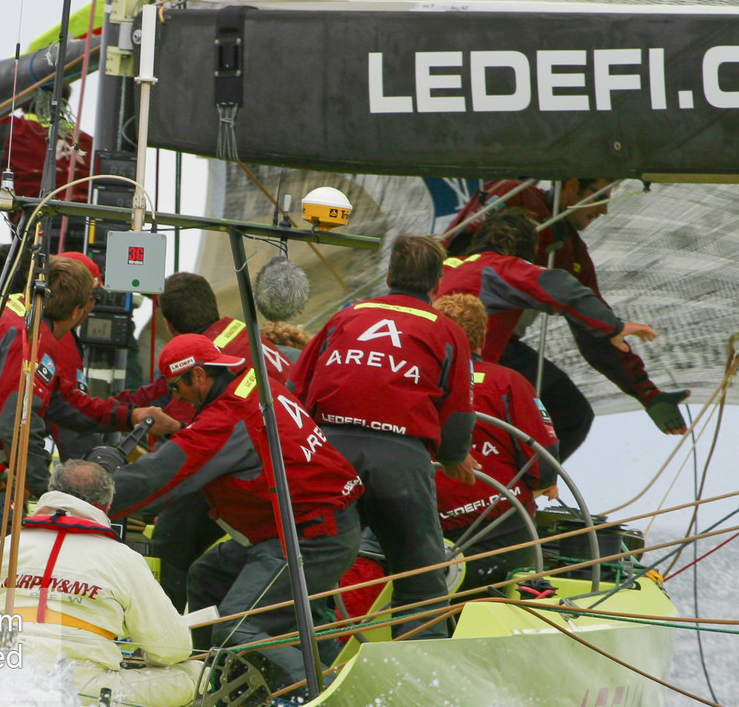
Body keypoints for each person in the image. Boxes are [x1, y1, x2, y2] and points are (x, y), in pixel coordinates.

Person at [110, 334, 362, 696]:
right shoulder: (255, 381)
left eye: (175, 387)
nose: (175, 397)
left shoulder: (230, 414)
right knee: (207, 576)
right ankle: (207, 679)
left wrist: (91, 497)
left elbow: (166, 472)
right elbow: (221, 445)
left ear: (198, 376)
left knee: (235, 626)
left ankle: (330, 697)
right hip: (307, 527)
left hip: (311, 537)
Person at [0, 256, 169, 565]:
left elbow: (62, 400)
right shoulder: (31, 337)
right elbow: (16, 424)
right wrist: (50, 492)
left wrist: (129, 416)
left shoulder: (11, 314)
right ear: (79, 310)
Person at [292, 233, 477, 640]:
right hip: (400, 464)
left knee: (314, 565)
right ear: (437, 284)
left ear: (390, 274)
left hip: (330, 456)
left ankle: (304, 660)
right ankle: (416, 681)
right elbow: (458, 420)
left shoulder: (345, 318)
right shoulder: (448, 333)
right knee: (421, 578)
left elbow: (297, 393)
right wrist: (452, 456)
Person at [447, 183, 689, 456]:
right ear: (573, 185)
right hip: (470, 362)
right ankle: (521, 483)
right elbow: (561, 289)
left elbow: (590, 323)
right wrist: (616, 326)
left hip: (428, 353)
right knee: (541, 414)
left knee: (568, 414)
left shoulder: (570, 253)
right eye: (600, 195)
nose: (606, 209)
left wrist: (646, 392)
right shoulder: (507, 222)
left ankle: (509, 483)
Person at [0, 460, 199, 707]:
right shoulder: (124, 559)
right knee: (195, 674)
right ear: (107, 506)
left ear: (51, 493)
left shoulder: (9, 545)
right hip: (84, 694)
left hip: (0, 680)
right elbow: (172, 650)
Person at [141, 271, 299, 609]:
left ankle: (168, 633)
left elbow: (196, 445)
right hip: (294, 464)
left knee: (170, 537)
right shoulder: (248, 335)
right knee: (210, 569)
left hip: (262, 472)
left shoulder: (199, 362)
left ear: (168, 324)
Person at [431, 292, 561, 593]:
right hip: (501, 536)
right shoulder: (507, 383)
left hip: (420, 531)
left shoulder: (413, 381)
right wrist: (543, 482)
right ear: (483, 335)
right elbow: (543, 462)